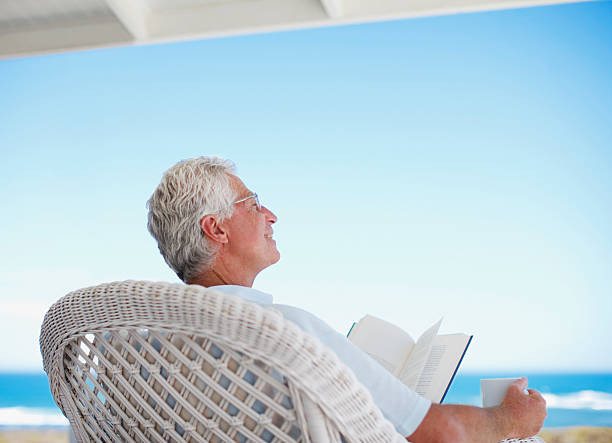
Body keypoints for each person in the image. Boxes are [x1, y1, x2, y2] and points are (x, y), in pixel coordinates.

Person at [147, 156, 547, 442]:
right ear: (216, 229)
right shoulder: (281, 331)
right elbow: (437, 433)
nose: (270, 214)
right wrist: (511, 419)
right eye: (252, 205)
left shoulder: (139, 346)